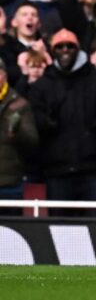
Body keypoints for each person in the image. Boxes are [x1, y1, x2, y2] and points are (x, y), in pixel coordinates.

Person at [28, 29, 96, 212]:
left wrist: (94, 129)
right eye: (59, 47)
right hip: (57, 171)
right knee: (59, 230)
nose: (65, 50)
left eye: (70, 46)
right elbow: (34, 120)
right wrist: (47, 123)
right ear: (52, 52)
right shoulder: (42, 85)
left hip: (93, 168)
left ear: (78, 49)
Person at [0, 57, 37, 214]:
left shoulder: (19, 104)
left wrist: (16, 132)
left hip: (10, 182)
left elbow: (32, 142)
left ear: (4, 75)